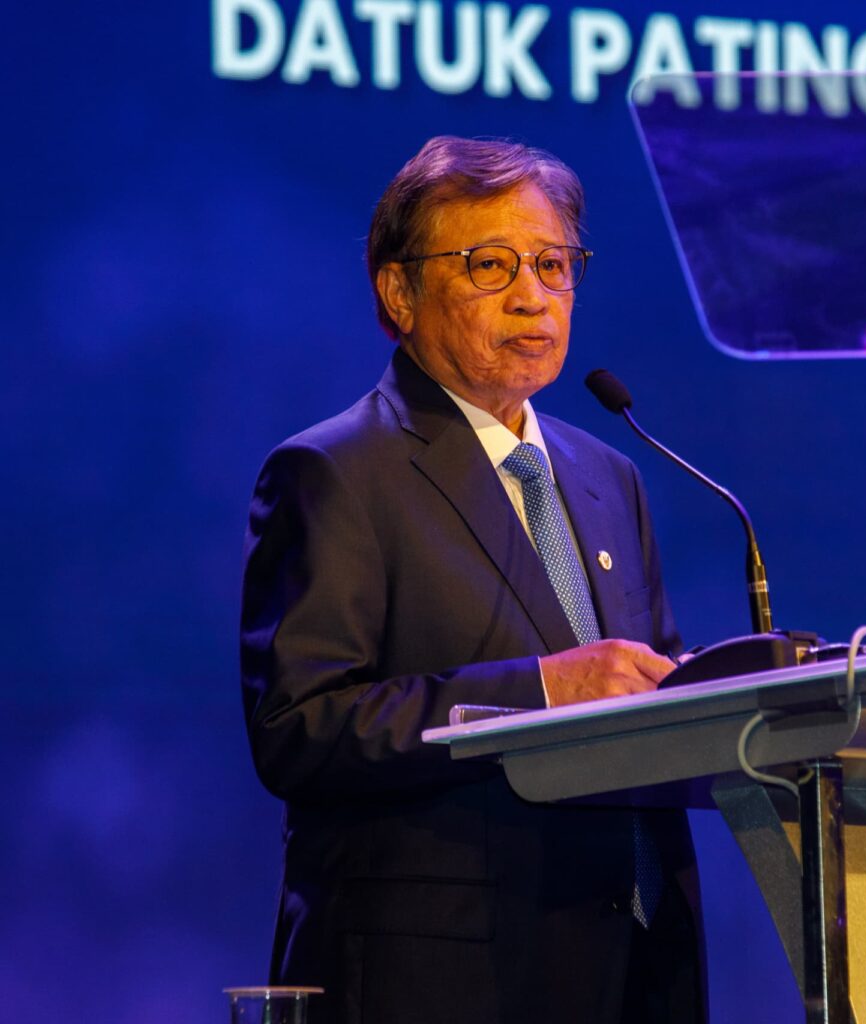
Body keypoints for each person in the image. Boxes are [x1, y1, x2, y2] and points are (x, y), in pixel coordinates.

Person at [240, 136, 704, 1024]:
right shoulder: (336, 471)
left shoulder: (611, 474)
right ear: (399, 292)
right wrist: (543, 692)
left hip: (638, 965)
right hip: (449, 974)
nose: (533, 295)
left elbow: (649, 702)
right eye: (491, 265)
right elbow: (300, 731)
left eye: (552, 265)